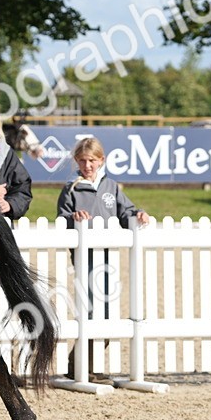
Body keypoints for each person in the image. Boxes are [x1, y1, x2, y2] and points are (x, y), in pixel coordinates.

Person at [57, 137, 151, 384]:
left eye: (92, 160)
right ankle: (78, 365)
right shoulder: (71, 188)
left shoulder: (111, 187)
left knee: (107, 311)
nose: (87, 165)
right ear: (77, 161)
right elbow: (62, 218)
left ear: (101, 160)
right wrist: (73, 218)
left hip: (108, 256)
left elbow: (125, 212)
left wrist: (137, 214)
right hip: (83, 257)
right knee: (89, 309)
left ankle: (90, 364)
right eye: (82, 160)